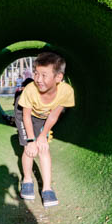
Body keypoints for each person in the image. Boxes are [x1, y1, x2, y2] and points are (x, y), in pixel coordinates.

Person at [15, 52, 75, 208]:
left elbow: (54, 116)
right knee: (30, 149)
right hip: (25, 114)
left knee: (43, 148)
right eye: (36, 73)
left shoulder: (66, 91)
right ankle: (27, 180)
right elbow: (26, 116)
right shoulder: (30, 89)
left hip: (44, 117)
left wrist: (42, 136)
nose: (38, 79)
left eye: (44, 75)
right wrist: (30, 140)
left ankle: (47, 188)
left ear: (58, 77)